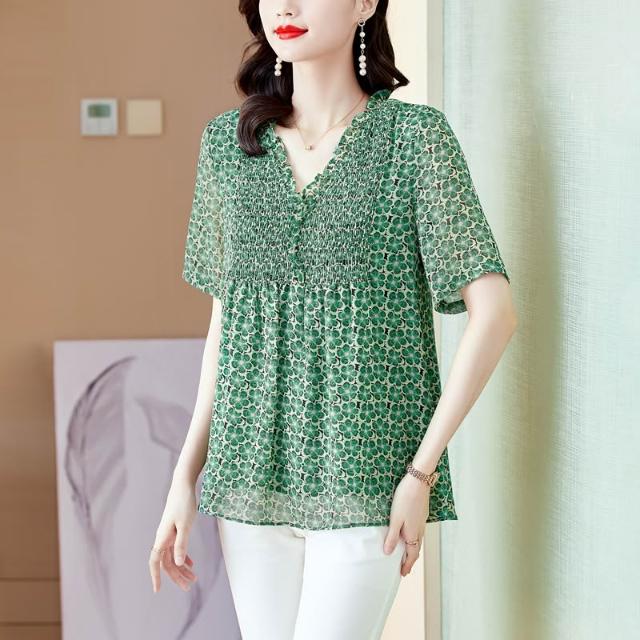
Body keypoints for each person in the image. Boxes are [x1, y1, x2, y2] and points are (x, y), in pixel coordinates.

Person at [148, 0, 517, 638]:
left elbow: (496, 314)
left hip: (366, 472)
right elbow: (226, 330)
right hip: (248, 472)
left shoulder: (414, 140)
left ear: (364, 4)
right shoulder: (228, 146)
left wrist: (420, 473)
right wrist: (185, 476)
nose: (285, 6)